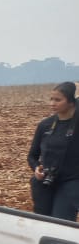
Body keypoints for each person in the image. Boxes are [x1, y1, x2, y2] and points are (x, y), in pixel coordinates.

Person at [27, 81, 79, 220]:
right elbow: (32, 156)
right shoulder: (45, 125)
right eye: (51, 99)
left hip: (72, 182)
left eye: (58, 100)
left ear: (71, 102)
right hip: (46, 181)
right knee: (43, 221)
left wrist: (77, 91)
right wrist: (36, 168)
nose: (52, 103)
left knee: (61, 221)